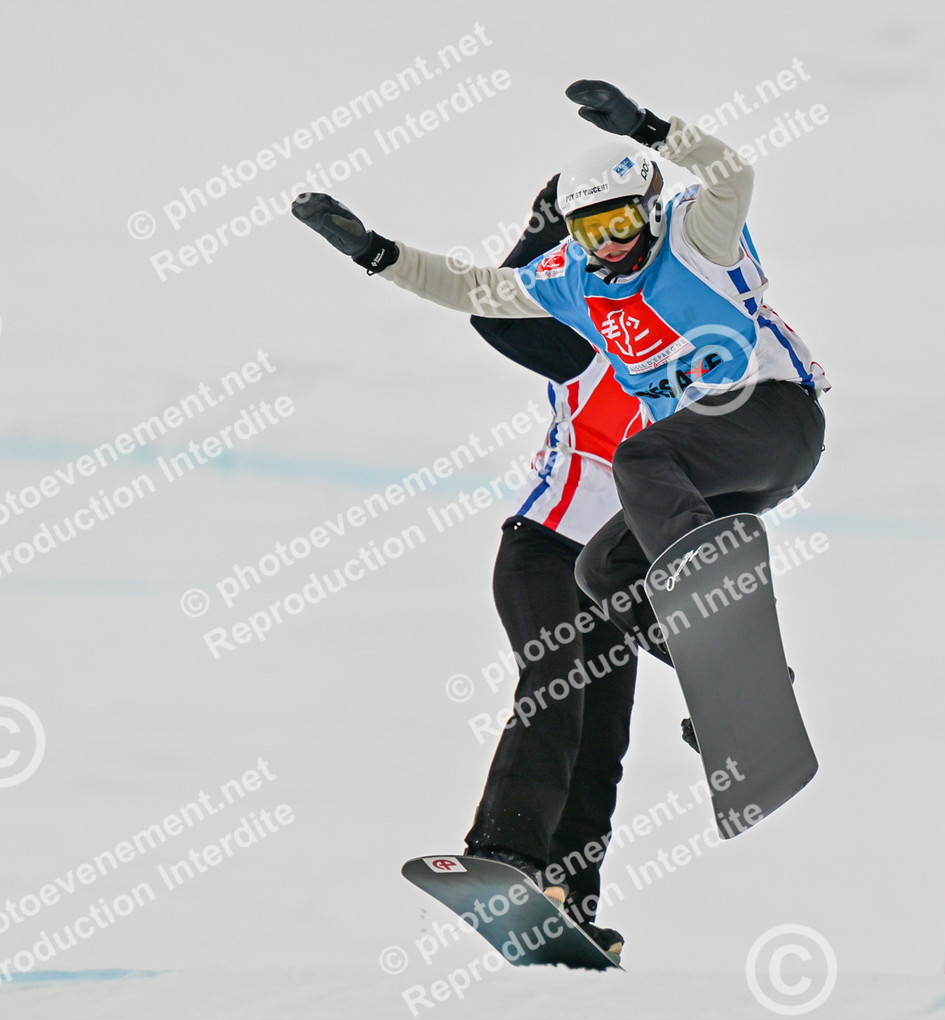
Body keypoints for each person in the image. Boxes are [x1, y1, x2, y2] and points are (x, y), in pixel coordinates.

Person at [291, 78, 828, 670]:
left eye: (619, 225)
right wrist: (377, 253)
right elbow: (477, 289)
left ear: (649, 209)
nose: (608, 246)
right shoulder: (573, 276)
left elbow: (733, 176)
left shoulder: (695, 234)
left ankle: (713, 603)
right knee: (605, 570)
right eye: (590, 234)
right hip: (716, 473)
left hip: (774, 417)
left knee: (639, 457)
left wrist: (649, 129)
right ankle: (734, 672)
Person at [454, 177, 645, 959]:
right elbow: (492, 308)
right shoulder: (590, 346)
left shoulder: (702, 389)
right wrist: (546, 217)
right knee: (557, 685)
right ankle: (507, 851)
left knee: (602, 741)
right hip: (545, 550)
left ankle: (569, 900)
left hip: (617, 578)